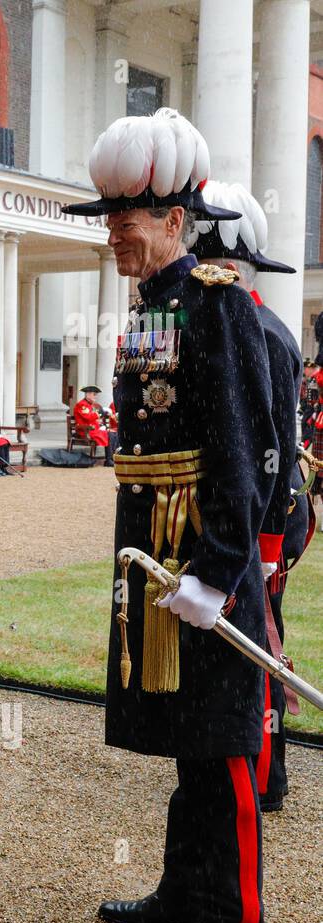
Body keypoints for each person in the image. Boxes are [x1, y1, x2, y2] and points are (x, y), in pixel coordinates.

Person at [63, 107, 277, 923]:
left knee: (222, 755)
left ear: (177, 221)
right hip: (155, 558)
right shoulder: (152, 303)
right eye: (109, 217)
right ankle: (183, 899)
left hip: (199, 567)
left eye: (128, 217)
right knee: (190, 750)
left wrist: (220, 573)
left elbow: (243, 446)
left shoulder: (217, 304)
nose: (113, 231)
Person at [188, 179, 308, 813]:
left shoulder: (260, 333)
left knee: (261, 645)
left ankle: (265, 775)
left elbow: (271, 454)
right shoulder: (256, 325)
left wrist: (260, 547)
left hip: (263, 518)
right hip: (249, 516)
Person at [72, 385, 118, 465]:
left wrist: (101, 425)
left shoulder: (90, 405)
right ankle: (109, 460)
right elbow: (88, 417)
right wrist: (100, 412)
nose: (95, 397)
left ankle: (111, 459)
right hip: (85, 431)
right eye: (94, 394)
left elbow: (95, 419)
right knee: (109, 434)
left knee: (114, 434)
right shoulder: (82, 405)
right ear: (88, 394)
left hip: (93, 429)